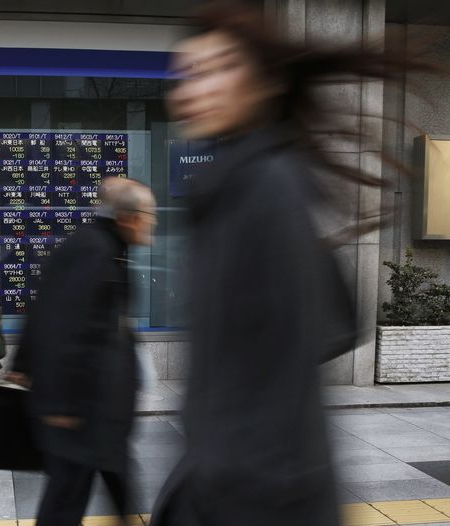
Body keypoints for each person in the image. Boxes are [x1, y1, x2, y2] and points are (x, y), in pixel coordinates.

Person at [150, 2, 421, 525]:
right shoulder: (242, 185)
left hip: (258, 497)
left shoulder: (263, 186)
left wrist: (220, 476)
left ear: (267, 82)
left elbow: (278, 363)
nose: (196, 89)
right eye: (189, 74)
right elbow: (330, 325)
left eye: (221, 68)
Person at [14, 178, 157, 526]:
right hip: (81, 411)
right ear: (127, 217)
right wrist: (62, 404)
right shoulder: (94, 251)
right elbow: (61, 323)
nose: (152, 223)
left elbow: (47, 309)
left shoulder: (103, 247)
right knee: (65, 501)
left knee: (107, 485)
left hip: (98, 406)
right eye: (148, 215)